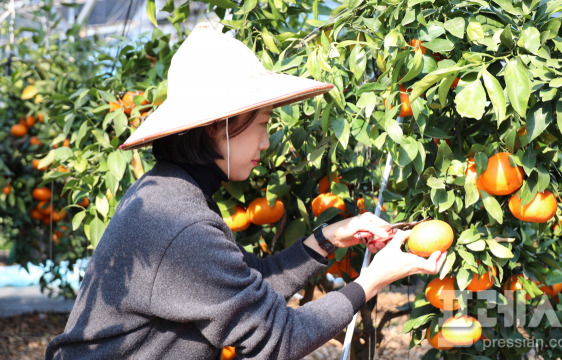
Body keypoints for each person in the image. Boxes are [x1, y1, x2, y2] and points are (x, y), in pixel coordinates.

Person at [46, 22, 446, 360]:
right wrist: (373, 281)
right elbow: (280, 336)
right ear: (218, 125)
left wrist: (325, 239)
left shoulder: (167, 191)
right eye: (261, 124)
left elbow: (246, 286)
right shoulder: (181, 221)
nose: (266, 142)